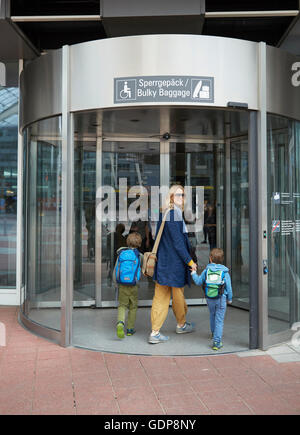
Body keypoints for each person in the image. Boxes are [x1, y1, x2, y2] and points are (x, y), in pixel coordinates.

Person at [149, 184, 197, 344]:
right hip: (174, 265)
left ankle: (160, 330)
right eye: (177, 195)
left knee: (165, 297)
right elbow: (178, 243)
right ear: (170, 197)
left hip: (164, 263)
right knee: (173, 296)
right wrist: (190, 261)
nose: (181, 198)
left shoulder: (166, 213)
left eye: (182, 195)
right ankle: (177, 325)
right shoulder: (173, 215)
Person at [190, 248, 232, 350]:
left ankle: (213, 333)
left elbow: (199, 282)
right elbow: (229, 288)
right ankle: (217, 342)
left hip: (209, 298)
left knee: (212, 315)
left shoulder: (206, 270)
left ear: (210, 259)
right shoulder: (225, 272)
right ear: (222, 260)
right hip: (221, 298)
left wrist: (193, 273)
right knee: (219, 320)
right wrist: (229, 299)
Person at [113, 232, 143, 339]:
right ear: (139, 243)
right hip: (133, 285)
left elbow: (116, 270)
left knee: (122, 305)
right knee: (133, 307)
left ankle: (120, 323)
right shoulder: (139, 256)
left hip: (122, 285)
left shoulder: (121, 254)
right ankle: (130, 329)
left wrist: (116, 283)